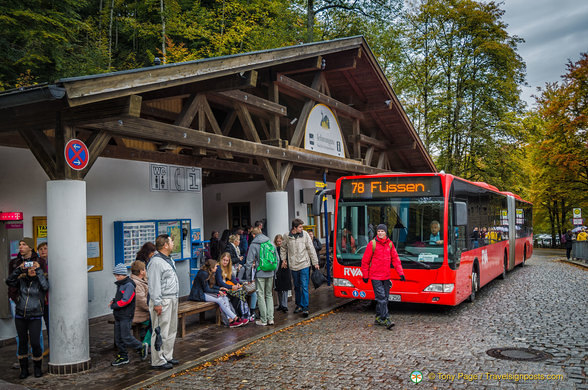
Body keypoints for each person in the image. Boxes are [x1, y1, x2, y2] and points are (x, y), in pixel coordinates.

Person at [5, 247, 48, 379]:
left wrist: (39, 269)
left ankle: (37, 368)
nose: (32, 270)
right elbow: (9, 281)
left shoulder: (40, 281)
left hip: (35, 315)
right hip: (20, 315)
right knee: (22, 342)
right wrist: (19, 268)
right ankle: (24, 369)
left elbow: (46, 287)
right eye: (29, 268)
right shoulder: (21, 280)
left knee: (35, 343)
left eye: (33, 268)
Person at [361, 224, 405, 329]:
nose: (380, 233)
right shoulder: (372, 244)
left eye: (382, 231)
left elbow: (395, 259)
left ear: (386, 232)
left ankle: (378, 318)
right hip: (375, 276)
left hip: (386, 276)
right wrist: (365, 275)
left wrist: (401, 273)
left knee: (384, 298)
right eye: (379, 231)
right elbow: (365, 261)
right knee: (381, 298)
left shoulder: (390, 244)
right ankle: (386, 319)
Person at [147, 234, 180, 370]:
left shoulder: (168, 259)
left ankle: (167, 355)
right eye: (171, 241)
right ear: (165, 245)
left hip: (172, 297)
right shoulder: (156, 262)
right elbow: (154, 284)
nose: (173, 243)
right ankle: (158, 360)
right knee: (160, 330)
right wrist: (157, 302)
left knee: (171, 329)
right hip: (163, 299)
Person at [188, 259, 247, 328]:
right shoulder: (203, 274)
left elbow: (211, 286)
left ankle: (230, 320)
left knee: (224, 297)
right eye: (216, 266)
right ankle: (235, 318)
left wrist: (220, 288)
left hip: (204, 293)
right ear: (211, 267)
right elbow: (206, 289)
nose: (217, 268)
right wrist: (218, 291)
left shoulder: (208, 272)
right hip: (198, 295)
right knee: (220, 300)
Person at [110, 263, 148, 366]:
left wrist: (115, 305)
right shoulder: (121, 284)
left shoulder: (129, 285)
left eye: (118, 275)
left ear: (123, 274)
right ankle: (123, 356)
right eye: (115, 275)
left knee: (126, 336)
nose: (116, 277)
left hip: (126, 315)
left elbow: (126, 300)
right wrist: (114, 301)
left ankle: (141, 346)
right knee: (118, 338)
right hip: (119, 315)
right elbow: (120, 298)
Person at [281, 219, 319, 318]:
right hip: (293, 265)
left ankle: (305, 308)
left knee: (304, 286)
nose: (302, 229)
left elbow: (311, 248)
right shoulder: (287, 236)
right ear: (294, 228)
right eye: (300, 227)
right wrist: (283, 259)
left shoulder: (305, 235)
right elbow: (283, 247)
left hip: (304, 264)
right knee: (297, 286)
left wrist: (315, 262)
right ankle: (299, 305)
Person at [246, 227, 279, 326]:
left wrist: (249, 278)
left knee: (261, 296)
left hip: (260, 272)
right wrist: (274, 271)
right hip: (270, 272)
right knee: (269, 295)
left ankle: (263, 320)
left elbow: (249, 262)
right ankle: (271, 319)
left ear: (253, 235)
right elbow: (277, 259)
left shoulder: (254, 244)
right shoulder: (270, 242)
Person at [216, 252, 250, 319]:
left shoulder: (227, 268)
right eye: (224, 260)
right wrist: (231, 287)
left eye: (227, 260)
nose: (225, 262)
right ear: (221, 259)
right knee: (234, 296)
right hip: (220, 288)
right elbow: (220, 282)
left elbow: (232, 278)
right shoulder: (218, 267)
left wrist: (237, 283)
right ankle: (235, 316)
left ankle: (240, 315)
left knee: (238, 295)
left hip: (226, 287)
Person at [130, 261, 151, 349]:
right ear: (141, 271)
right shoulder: (136, 283)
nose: (146, 271)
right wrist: (151, 309)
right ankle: (146, 344)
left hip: (141, 312)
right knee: (155, 321)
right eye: (145, 269)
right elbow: (141, 301)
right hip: (138, 314)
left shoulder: (141, 280)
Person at [37, 242, 50, 349]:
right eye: (40, 249)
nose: (43, 251)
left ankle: (52, 347)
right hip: (39, 299)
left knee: (50, 325)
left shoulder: (52, 263)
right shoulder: (36, 264)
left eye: (45, 248)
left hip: (50, 299)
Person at [274, 234, 291, 313]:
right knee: (279, 289)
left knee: (285, 288)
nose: (279, 243)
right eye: (277, 241)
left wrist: (286, 262)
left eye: (280, 241)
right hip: (278, 271)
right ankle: (280, 304)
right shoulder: (275, 249)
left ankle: (285, 305)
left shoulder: (285, 249)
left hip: (285, 269)